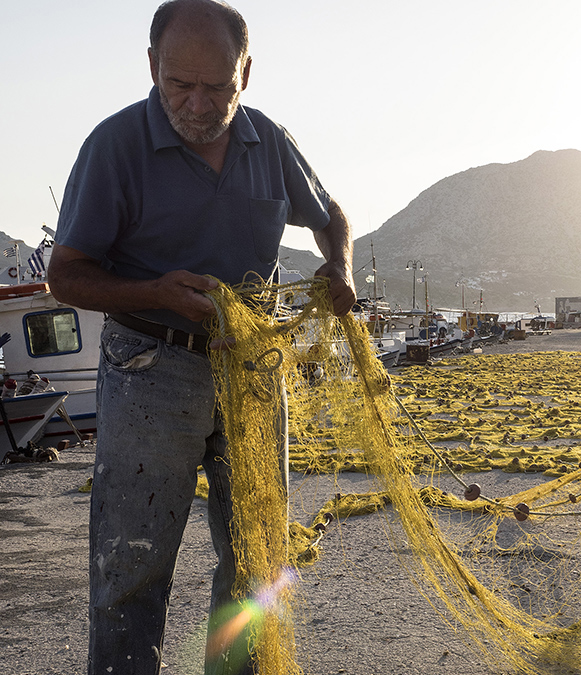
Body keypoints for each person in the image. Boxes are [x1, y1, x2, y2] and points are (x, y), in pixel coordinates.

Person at [48, 1, 356, 673]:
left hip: (251, 373)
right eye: (178, 85)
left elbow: (331, 215)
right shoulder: (113, 147)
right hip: (149, 370)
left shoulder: (267, 140)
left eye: (217, 87)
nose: (196, 103)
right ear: (152, 66)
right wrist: (152, 293)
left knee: (254, 556)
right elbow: (64, 277)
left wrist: (341, 266)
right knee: (130, 567)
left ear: (246, 72)